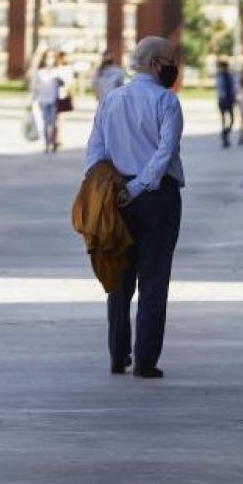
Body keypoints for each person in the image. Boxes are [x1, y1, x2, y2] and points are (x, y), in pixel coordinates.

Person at [84, 35, 185, 379]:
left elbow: (95, 151)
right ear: (157, 64)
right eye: (172, 60)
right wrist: (139, 186)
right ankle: (144, 360)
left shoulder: (112, 100)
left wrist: (104, 190)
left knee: (119, 278)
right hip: (157, 198)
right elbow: (164, 153)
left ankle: (117, 353)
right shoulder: (166, 102)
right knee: (154, 279)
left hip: (117, 198)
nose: (175, 67)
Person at [31, 56, 63, 153]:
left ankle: (53, 142)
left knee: (54, 124)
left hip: (54, 101)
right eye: (48, 58)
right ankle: (46, 143)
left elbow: (63, 84)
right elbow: (35, 87)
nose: (50, 60)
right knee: (45, 124)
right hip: (43, 101)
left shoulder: (56, 72)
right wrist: (33, 99)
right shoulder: (40, 73)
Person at [215, 59, 236, 148]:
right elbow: (219, 90)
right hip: (222, 100)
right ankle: (225, 137)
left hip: (229, 100)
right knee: (224, 119)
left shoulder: (230, 76)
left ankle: (225, 133)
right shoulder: (219, 77)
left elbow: (233, 88)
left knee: (231, 119)